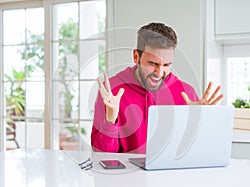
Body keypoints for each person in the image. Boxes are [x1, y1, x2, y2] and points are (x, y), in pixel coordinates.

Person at [91, 22, 223, 153]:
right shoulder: (112, 91)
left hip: (172, 173)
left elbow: (198, 152)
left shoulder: (186, 93)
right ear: (136, 57)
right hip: (128, 174)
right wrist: (110, 121)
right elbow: (102, 155)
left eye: (166, 64)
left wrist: (200, 123)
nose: (159, 73)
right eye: (153, 63)